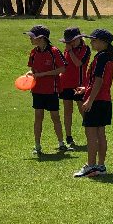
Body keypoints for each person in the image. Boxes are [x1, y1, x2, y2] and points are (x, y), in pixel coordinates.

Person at [74, 28, 113, 177]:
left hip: (97, 100)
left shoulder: (101, 57)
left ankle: (91, 166)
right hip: (105, 100)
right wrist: (85, 88)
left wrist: (89, 100)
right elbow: (98, 81)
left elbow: (99, 80)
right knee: (100, 134)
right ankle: (101, 166)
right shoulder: (107, 57)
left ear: (103, 42)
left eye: (94, 40)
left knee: (91, 135)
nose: (91, 42)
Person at [23, 24, 67, 156]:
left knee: (55, 117)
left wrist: (42, 74)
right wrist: (28, 73)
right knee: (38, 117)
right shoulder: (33, 52)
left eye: (32, 37)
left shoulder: (54, 51)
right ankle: (37, 145)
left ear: (41, 38)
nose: (30, 39)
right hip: (37, 90)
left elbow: (62, 69)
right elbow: (32, 68)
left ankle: (61, 143)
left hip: (51, 90)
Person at [59, 26, 91, 148]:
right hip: (65, 84)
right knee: (67, 111)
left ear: (79, 38)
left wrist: (70, 51)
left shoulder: (85, 49)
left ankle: (91, 135)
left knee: (83, 110)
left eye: (72, 40)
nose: (70, 43)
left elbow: (78, 64)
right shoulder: (67, 50)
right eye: (68, 41)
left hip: (80, 85)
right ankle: (68, 137)